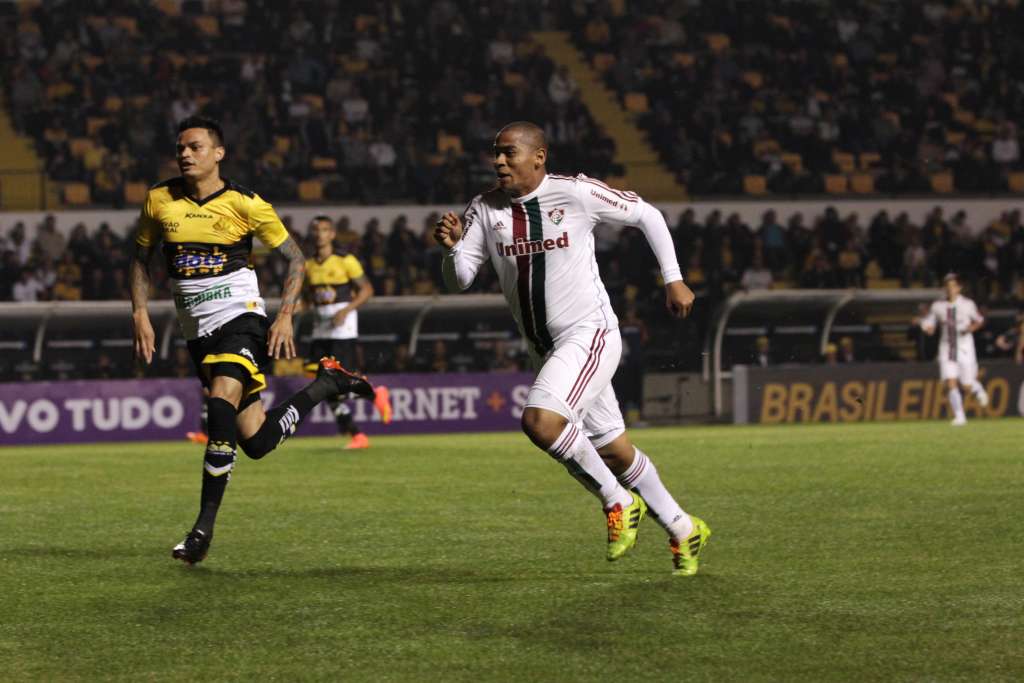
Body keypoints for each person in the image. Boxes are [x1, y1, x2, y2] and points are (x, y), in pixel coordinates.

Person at [434, 122, 710, 576]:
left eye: (509, 153)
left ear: (539, 156)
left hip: (589, 334)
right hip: (546, 350)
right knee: (615, 452)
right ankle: (683, 528)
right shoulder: (484, 208)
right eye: (495, 153)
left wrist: (673, 279)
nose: (498, 161)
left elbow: (647, 215)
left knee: (540, 422)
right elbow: (459, 280)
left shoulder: (575, 193)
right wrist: (451, 250)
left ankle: (618, 501)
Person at [130, 116, 379, 565]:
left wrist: (283, 316)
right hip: (196, 331)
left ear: (218, 153)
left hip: (241, 317)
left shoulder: (246, 203)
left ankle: (202, 530)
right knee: (257, 441)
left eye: (195, 146)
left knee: (220, 400)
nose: (184, 154)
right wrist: (140, 312)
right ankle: (327, 384)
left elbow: (295, 258)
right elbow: (140, 258)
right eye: (180, 147)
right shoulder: (159, 199)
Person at [303, 215, 392, 449]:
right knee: (321, 383)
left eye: (324, 230)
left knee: (336, 382)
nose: (319, 234)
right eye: (316, 230)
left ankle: (365, 414)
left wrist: (346, 309)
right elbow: (308, 296)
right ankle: (359, 429)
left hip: (342, 328)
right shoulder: (308, 265)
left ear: (332, 234)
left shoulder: (346, 260)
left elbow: (367, 290)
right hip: (320, 328)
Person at [913, 273, 989, 426]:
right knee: (950, 382)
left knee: (966, 385)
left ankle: (977, 388)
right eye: (947, 286)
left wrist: (970, 328)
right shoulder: (938, 306)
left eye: (953, 286)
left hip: (965, 348)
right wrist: (923, 325)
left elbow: (980, 320)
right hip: (946, 348)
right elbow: (930, 327)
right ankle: (960, 417)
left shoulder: (967, 304)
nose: (950, 289)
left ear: (959, 288)